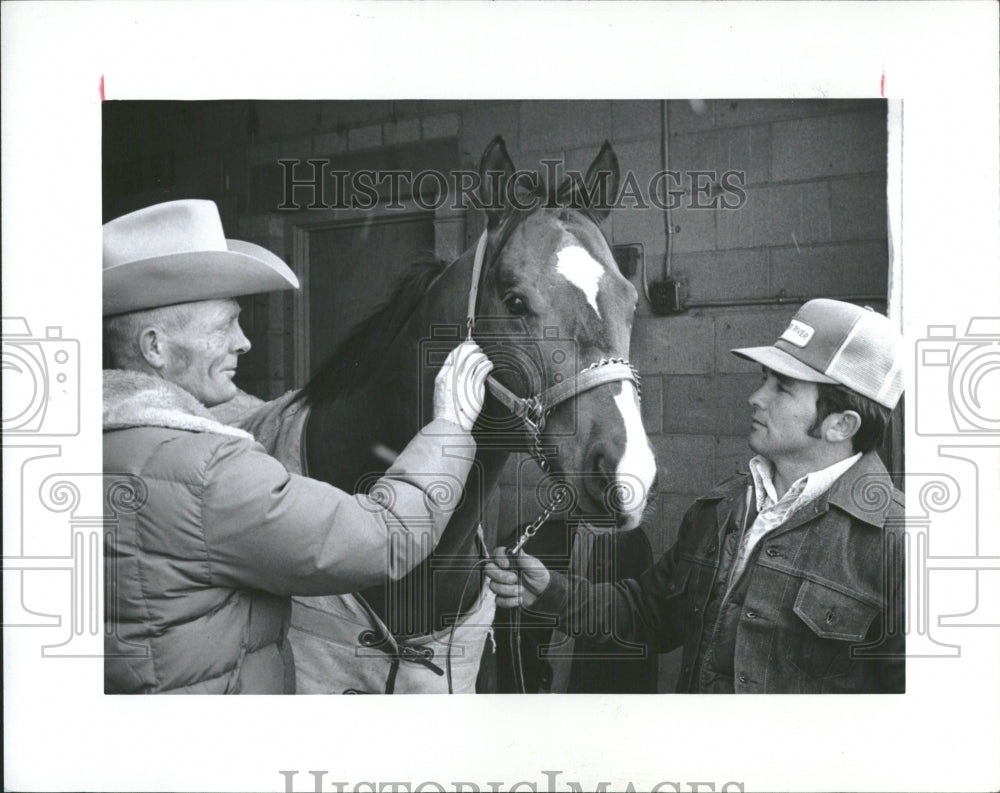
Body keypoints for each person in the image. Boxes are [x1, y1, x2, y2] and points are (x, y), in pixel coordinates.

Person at [102, 199, 492, 694]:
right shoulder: (205, 471)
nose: (244, 342)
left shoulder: (101, 442)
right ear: (155, 347)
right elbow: (385, 539)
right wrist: (452, 425)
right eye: (225, 325)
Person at [486, 299, 905, 693]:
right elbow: (650, 613)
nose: (755, 398)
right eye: (764, 381)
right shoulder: (723, 509)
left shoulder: (899, 545)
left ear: (841, 425)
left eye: (783, 388)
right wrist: (551, 593)